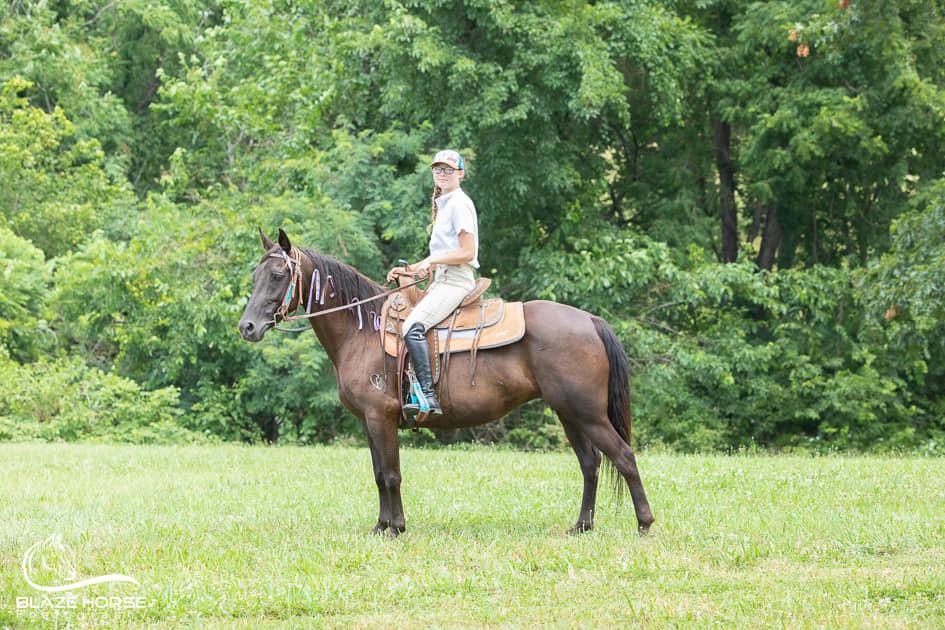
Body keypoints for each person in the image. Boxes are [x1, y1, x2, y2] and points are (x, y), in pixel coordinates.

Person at [386, 149, 479, 415]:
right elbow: (439, 256)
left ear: (460, 173)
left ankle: (427, 395)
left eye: (448, 169)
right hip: (441, 279)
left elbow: (467, 252)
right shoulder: (445, 203)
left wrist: (431, 262)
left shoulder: (459, 203)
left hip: (456, 281)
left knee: (413, 326)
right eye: (438, 169)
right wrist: (409, 269)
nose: (442, 174)